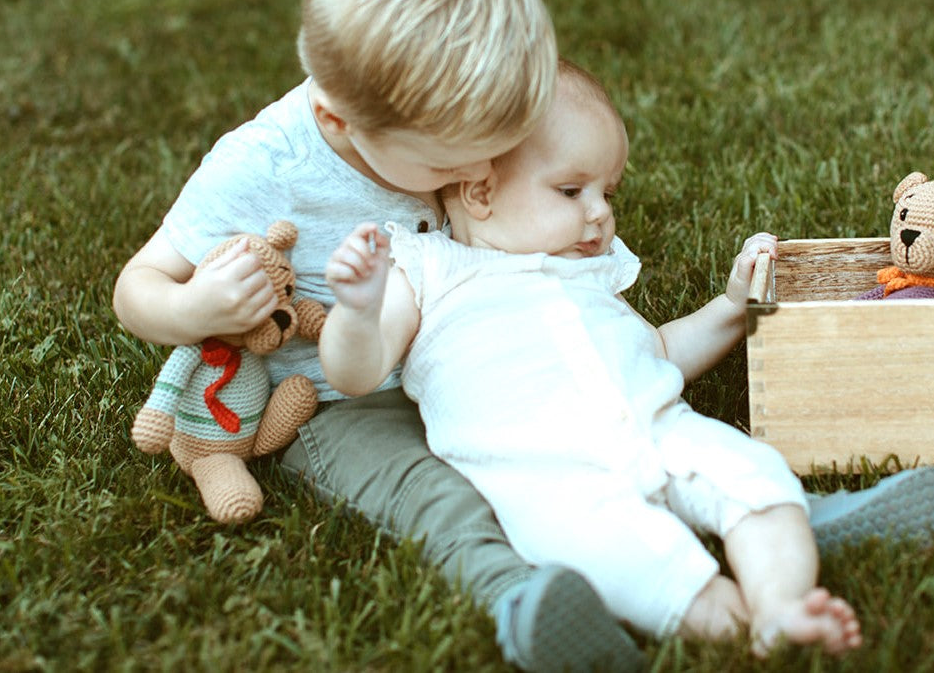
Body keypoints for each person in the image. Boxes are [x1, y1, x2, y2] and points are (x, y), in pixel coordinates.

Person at [113, 0, 647, 673]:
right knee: (431, 491)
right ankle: (518, 597)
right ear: (338, 122)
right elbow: (137, 286)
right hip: (339, 402)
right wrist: (193, 306)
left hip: (466, 347)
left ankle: (731, 521)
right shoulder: (264, 165)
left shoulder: (459, 120)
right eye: (450, 165)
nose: (476, 175)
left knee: (585, 431)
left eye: (496, 148)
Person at [321, 61, 865, 656]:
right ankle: (742, 624)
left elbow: (658, 352)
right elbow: (356, 373)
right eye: (571, 191)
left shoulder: (592, 272)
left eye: (607, 192)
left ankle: (781, 598)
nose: (600, 212)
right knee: (625, 557)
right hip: (548, 478)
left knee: (756, 478)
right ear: (479, 191)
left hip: (660, 428)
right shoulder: (428, 270)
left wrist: (732, 307)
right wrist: (356, 310)